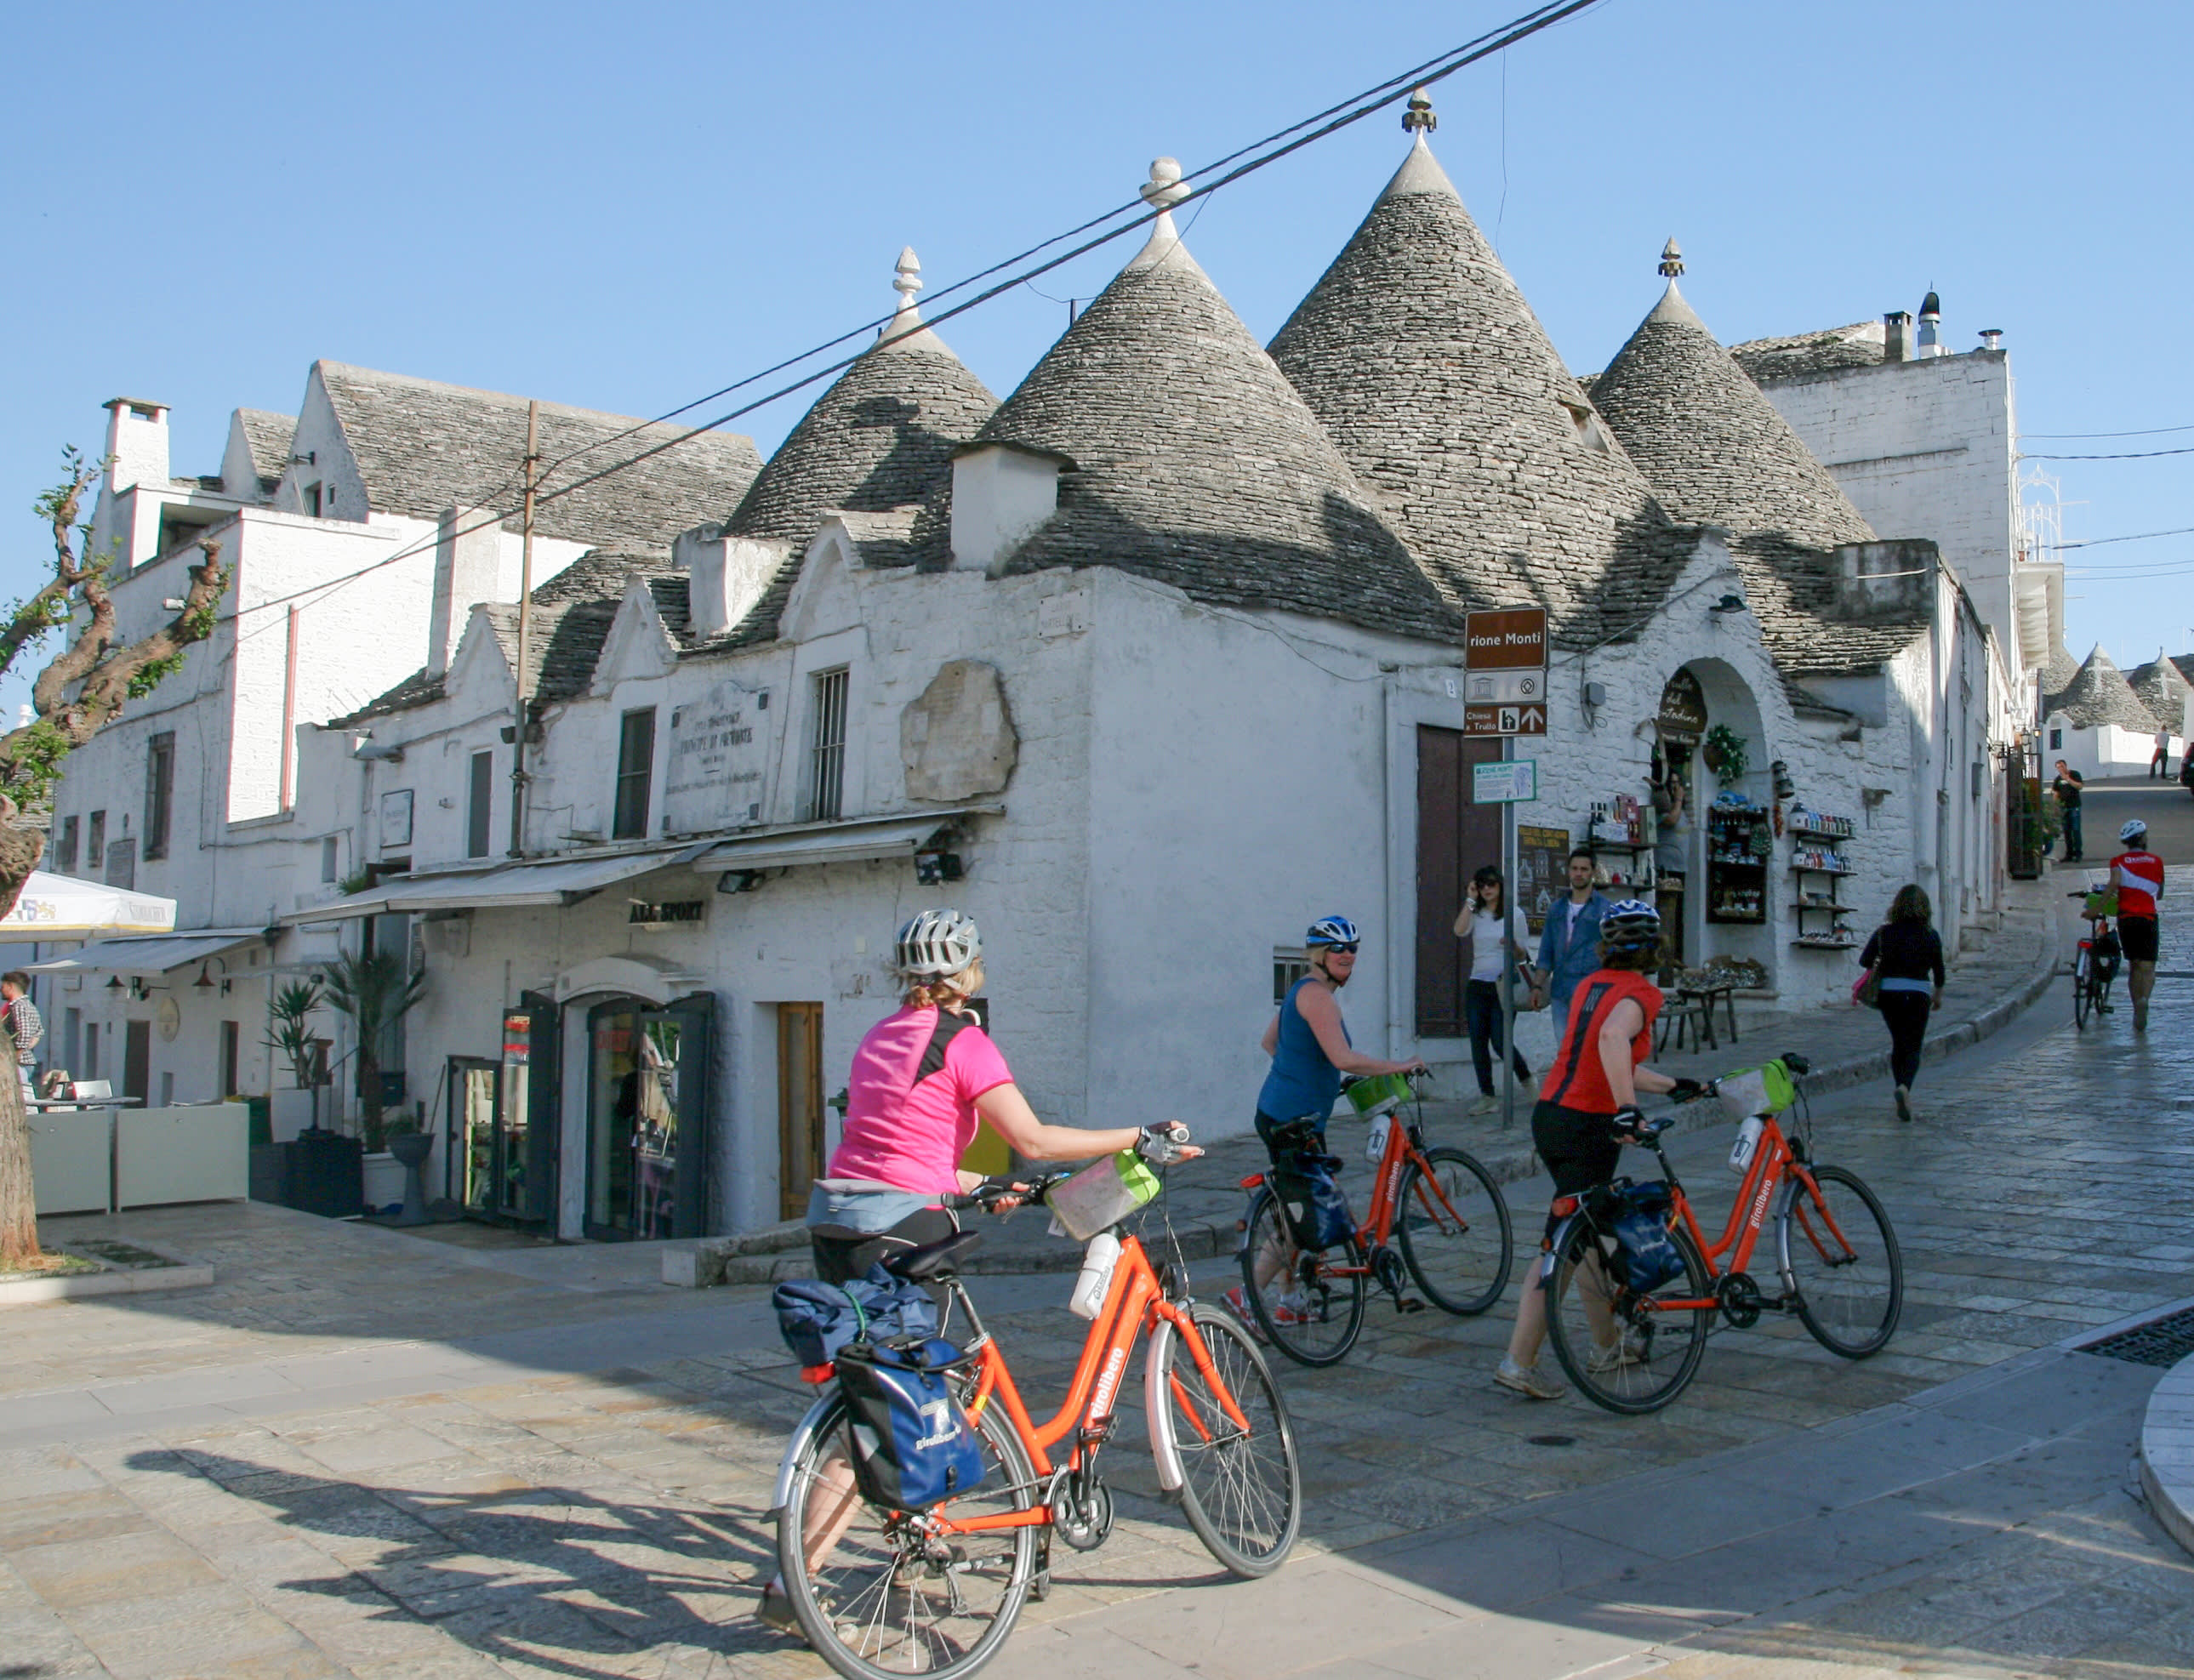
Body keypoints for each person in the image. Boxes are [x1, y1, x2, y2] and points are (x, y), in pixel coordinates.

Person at [761, 908, 1198, 1636]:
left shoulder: (878, 1034)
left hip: (837, 1220)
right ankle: (799, 1572)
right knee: (896, 1403)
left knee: (888, 1386)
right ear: (967, 974)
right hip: (902, 1229)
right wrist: (1141, 1133)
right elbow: (1031, 1137)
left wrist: (974, 1184)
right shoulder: (963, 1042)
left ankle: (894, 1532)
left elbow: (896, 1143)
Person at [1495, 900, 1703, 1400]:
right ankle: (1518, 1361)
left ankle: (1608, 1345)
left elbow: (1605, 1058)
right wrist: (1627, 1111)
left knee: (1586, 1233)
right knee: (1561, 1245)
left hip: (1552, 1116)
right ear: (1656, 948)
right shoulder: (1642, 993)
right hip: (1588, 1127)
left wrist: (1673, 1084)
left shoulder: (1591, 986)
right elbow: (1613, 1039)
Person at [1221, 914, 1426, 1330]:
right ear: (1318, 954)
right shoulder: (1317, 997)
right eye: (1338, 948)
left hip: (1287, 1113)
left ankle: (1289, 1299)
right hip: (1293, 1120)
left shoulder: (1303, 990)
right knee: (1303, 1218)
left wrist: (1302, 1075)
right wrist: (1399, 1064)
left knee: (1297, 1210)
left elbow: (1271, 1043)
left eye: (1353, 948)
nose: (1347, 954)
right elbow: (1343, 1058)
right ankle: (1244, 1298)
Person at [1451, 866, 1538, 1116]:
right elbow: (1458, 931)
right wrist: (1469, 900)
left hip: (1504, 985)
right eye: (1481, 885)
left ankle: (1528, 1081)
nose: (1486, 889)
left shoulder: (1514, 914)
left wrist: (1512, 945)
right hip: (1478, 983)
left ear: (1500, 886)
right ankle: (1487, 1096)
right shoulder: (1476, 914)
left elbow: (1523, 953)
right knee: (1478, 1041)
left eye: (1491, 884)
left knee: (1500, 1041)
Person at [1856, 886, 1945, 1123]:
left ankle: (1900, 1086)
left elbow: (1864, 960)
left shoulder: (1884, 933)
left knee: (1899, 1043)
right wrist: (1937, 995)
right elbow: (1939, 970)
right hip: (1918, 994)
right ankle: (1905, 1087)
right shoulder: (1931, 934)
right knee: (1914, 1045)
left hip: (1890, 993)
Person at [1536, 852, 1610, 1045]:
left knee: (1587, 1049)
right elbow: (1546, 952)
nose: (1579, 874)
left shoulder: (1605, 910)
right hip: (1560, 990)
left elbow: (1612, 955)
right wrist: (1537, 986)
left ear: (1593, 872)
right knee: (1564, 1049)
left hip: (1591, 991)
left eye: (1584, 869)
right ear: (1568, 872)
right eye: (1575, 869)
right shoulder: (1556, 909)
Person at [2109, 820, 2166, 1032]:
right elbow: (2159, 893)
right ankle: (2145, 1000)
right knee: (2148, 966)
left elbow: (2114, 886)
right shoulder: (2156, 861)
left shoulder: (2118, 861)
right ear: (2142, 839)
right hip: (2148, 918)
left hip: (2126, 919)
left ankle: (2136, 1007)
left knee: (2134, 965)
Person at [1, 971, 41, 1097]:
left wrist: (16, 1055)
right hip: (26, 1062)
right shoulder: (29, 1006)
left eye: (3, 986)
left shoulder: (18, 1006)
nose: (1, 990)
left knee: (17, 1097)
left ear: (10, 986)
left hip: (20, 1063)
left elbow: (24, 1032)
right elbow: (38, 1032)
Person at [2051, 761, 2086, 861]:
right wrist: (2055, 807)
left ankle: (2078, 853)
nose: (2060, 769)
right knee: (2067, 832)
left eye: (2062, 766)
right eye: (2058, 767)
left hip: (2074, 807)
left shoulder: (2075, 774)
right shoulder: (2058, 779)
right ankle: (2069, 854)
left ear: (2066, 766)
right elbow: (2056, 793)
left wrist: (2068, 779)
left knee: (2076, 830)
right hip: (2064, 808)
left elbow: (2079, 786)